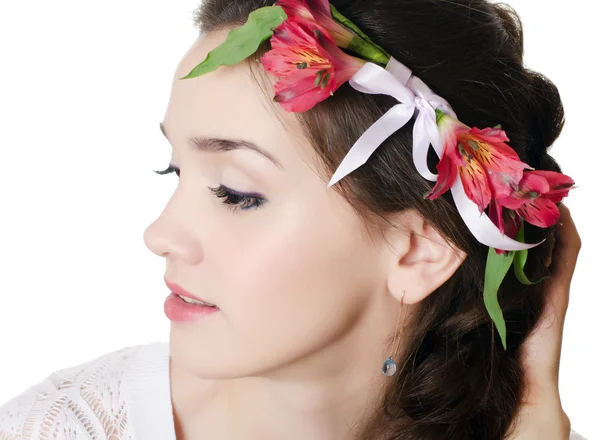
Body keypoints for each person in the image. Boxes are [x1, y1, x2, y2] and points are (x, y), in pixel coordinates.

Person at [0, 0, 588, 439]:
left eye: (234, 193)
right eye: (173, 171)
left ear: (417, 252)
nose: (158, 235)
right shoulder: (65, 426)